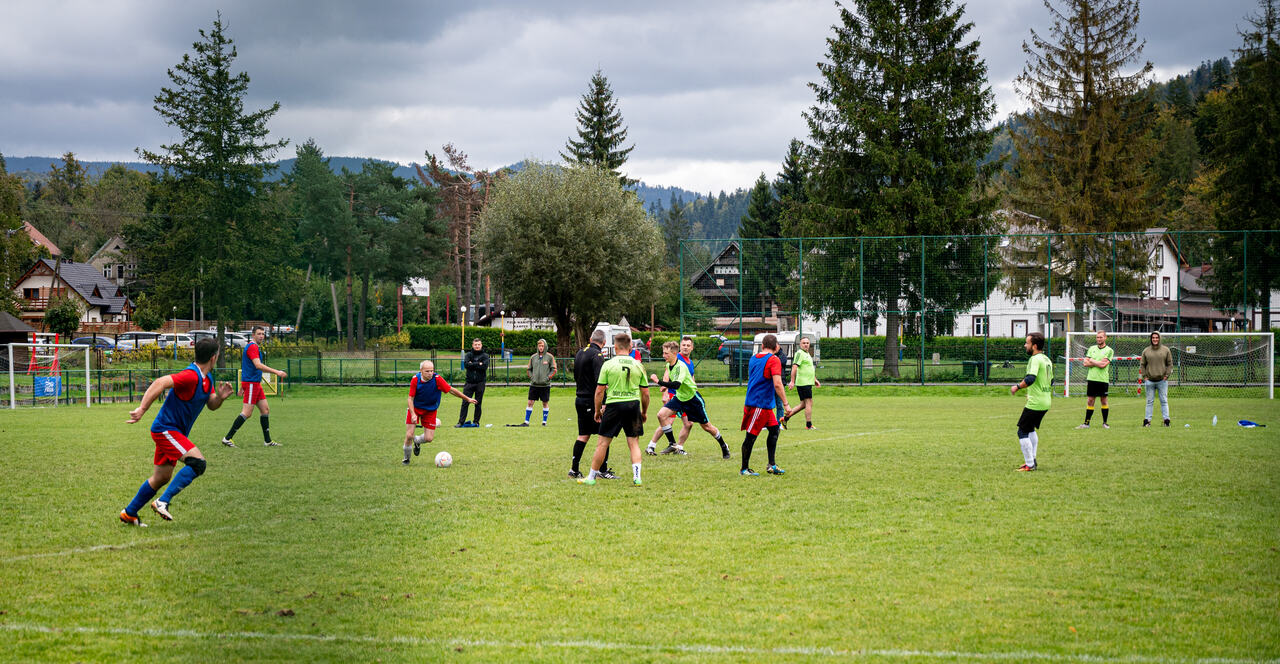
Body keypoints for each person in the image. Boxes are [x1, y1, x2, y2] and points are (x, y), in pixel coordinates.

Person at [119, 337, 234, 525]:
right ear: (213, 358)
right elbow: (160, 382)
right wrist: (142, 409)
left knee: (162, 477)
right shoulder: (191, 375)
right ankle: (162, 501)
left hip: (174, 433)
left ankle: (129, 513)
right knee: (198, 463)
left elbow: (211, 405)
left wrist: (220, 398)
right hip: (166, 430)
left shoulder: (207, 379)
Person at [578, 333, 650, 486]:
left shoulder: (608, 364)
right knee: (634, 443)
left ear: (615, 347)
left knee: (602, 443)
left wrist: (597, 411)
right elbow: (645, 393)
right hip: (632, 405)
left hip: (613, 406)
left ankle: (591, 477)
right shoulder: (638, 365)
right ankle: (637, 477)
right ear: (631, 347)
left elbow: (599, 391)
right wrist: (644, 412)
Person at [648, 341, 731, 459]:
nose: (663, 355)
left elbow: (676, 385)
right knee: (661, 415)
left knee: (707, 427)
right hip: (680, 398)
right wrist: (665, 389)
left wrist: (658, 381)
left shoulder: (681, 366)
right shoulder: (668, 365)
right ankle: (673, 444)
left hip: (692, 399)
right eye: (663, 353)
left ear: (674, 353)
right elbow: (672, 382)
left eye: (666, 353)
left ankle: (723, 445)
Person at [221, 326, 287, 448]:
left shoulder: (253, 347)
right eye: (259, 334)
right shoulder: (252, 347)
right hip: (252, 384)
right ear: (253, 335)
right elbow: (258, 365)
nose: (261, 336)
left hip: (255, 384)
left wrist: (242, 386)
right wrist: (277, 372)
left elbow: (247, 366)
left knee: (265, 410)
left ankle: (267, 441)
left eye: (263, 334)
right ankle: (227, 438)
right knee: (247, 413)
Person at [403, 360, 476, 465]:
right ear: (421, 371)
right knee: (409, 435)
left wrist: (467, 398)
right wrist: (413, 414)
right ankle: (406, 459)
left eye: (431, 370)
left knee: (429, 438)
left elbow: (451, 390)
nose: (430, 373)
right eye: (427, 371)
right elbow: (410, 399)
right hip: (415, 408)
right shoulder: (415, 379)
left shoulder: (437, 379)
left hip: (430, 410)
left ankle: (417, 441)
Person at [740, 334, 791, 477]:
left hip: (765, 405)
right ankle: (744, 469)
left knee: (774, 430)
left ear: (762, 346)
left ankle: (771, 465)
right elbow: (777, 384)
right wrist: (786, 404)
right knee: (751, 436)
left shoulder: (753, 358)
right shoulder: (774, 360)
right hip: (759, 404)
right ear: (777, 347)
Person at [570, 329, 618, 479]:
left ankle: (574, 470)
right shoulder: (597, 356)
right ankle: (603, 471)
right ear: (604, 342)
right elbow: (600, 383)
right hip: (592, 400)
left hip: (579, 398)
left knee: (583, 435)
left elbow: (576, 375)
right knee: (604, 435)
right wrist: (603, 403)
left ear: (591, 339)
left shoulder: (580, 352)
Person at [1010, 332, 1052, 471]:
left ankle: (1030, 464)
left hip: (1036, 402)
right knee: (1030, 429)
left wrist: (1017, 387)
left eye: (1027, 343)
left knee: (1022, 432)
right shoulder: (1046, 359)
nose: (1025, 345)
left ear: (1034, 346)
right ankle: (1032, 460)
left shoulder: (1035, 359)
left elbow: (1030, 378)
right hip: (1045, 400)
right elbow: (1051, 381)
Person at [1076, 330, 1114, 429]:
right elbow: (1085, 363)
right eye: (1097, 337)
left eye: (1101, 337)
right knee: (1090, 400)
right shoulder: (1091, 348)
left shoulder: (1109, 350)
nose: (1099, 339)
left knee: (1103, 400)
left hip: (1103, 379)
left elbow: (1103, 365)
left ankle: (1105, 423)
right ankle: (1086, 423)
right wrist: (1097, 362)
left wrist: (1092, 360)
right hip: (1091, 378)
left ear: (1105, 338)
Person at [782, 336, 820, 430]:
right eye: (804, 343)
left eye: (807, 343)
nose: (806, 345)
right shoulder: (799, 353)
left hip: (808, 382)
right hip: (803, 383)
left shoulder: (807, 354)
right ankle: (809, 425)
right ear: (800, 344)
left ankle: (785, 418)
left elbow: (809, 369)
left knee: (803, 404)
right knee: (809, 402)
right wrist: (792, 381)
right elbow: (794, 367)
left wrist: (815, 379)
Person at [520, 338, 557, 426]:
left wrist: (547, 378)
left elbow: (554, 369)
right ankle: (526, 421)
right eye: (539, 346)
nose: (541, 347)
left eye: (542, 346)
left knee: (545, 403)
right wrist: (532, 378)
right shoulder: (533, 357)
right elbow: (529, 369)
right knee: (530, 402)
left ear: (545, 347)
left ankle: (544, 422)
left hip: (545, 385)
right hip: (534, 385)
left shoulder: (550, 357)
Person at [1139, 330, 1173, 427]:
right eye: (1153, 338)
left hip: (1162, 381)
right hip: (1149, 381)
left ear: (1159, 338)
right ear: (1151, 339)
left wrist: (1166, 375)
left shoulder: (1166, 350)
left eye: (1157, 337)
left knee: (1164, 401)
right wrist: (1145, 377)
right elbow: (1142, 365)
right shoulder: (1146, 351)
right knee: (1149, 402)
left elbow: (1170, 364)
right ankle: (1147, 421)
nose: (1155, 339)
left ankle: (1166, 421)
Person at [456, 337, 489, 428]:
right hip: (469, 383)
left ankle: (476, 422)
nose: (477, 346)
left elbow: (484, 367)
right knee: (465, 402)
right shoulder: (468, 355)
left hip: (480, 383)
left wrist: (472, 364)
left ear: (481, 345)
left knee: (478, 403)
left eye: (479, 344)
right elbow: (466, 365)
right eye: (475, 345)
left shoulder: (485, 356)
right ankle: (460, 422)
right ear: (472, 345)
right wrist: (478, 363)